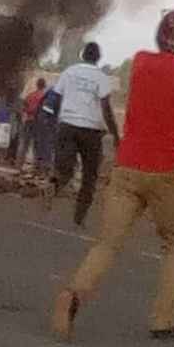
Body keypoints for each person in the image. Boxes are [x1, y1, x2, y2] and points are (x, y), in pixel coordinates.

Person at [52, 6, 174, 342]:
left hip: (127, 167)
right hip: (165, 172)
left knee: (108, 244)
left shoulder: (141, 61)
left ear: (160, 33)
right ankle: (163, 320)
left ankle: (74, 293)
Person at [49, 43, 121, 226]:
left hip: (67, 125)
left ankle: (54, 186)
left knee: (65, 168)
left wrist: (56, 122)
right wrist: (115, 134)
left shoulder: (69, 72)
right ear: (98, 57)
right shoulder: (101, 77)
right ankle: (79, 217)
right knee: (90, 175)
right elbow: (106, 108)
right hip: (90, 130)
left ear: (82, 55)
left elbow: (55, 98)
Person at [17, 78, 47, 169]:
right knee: (37, 145)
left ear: (37, 85)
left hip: (29, 121)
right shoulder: (44, 96)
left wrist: (28, 112)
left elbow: (23, 108)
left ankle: (19, 165)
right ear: (44, 86)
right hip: (39, 123)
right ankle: (37, 166)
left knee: (24, 144)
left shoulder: (30, 95)